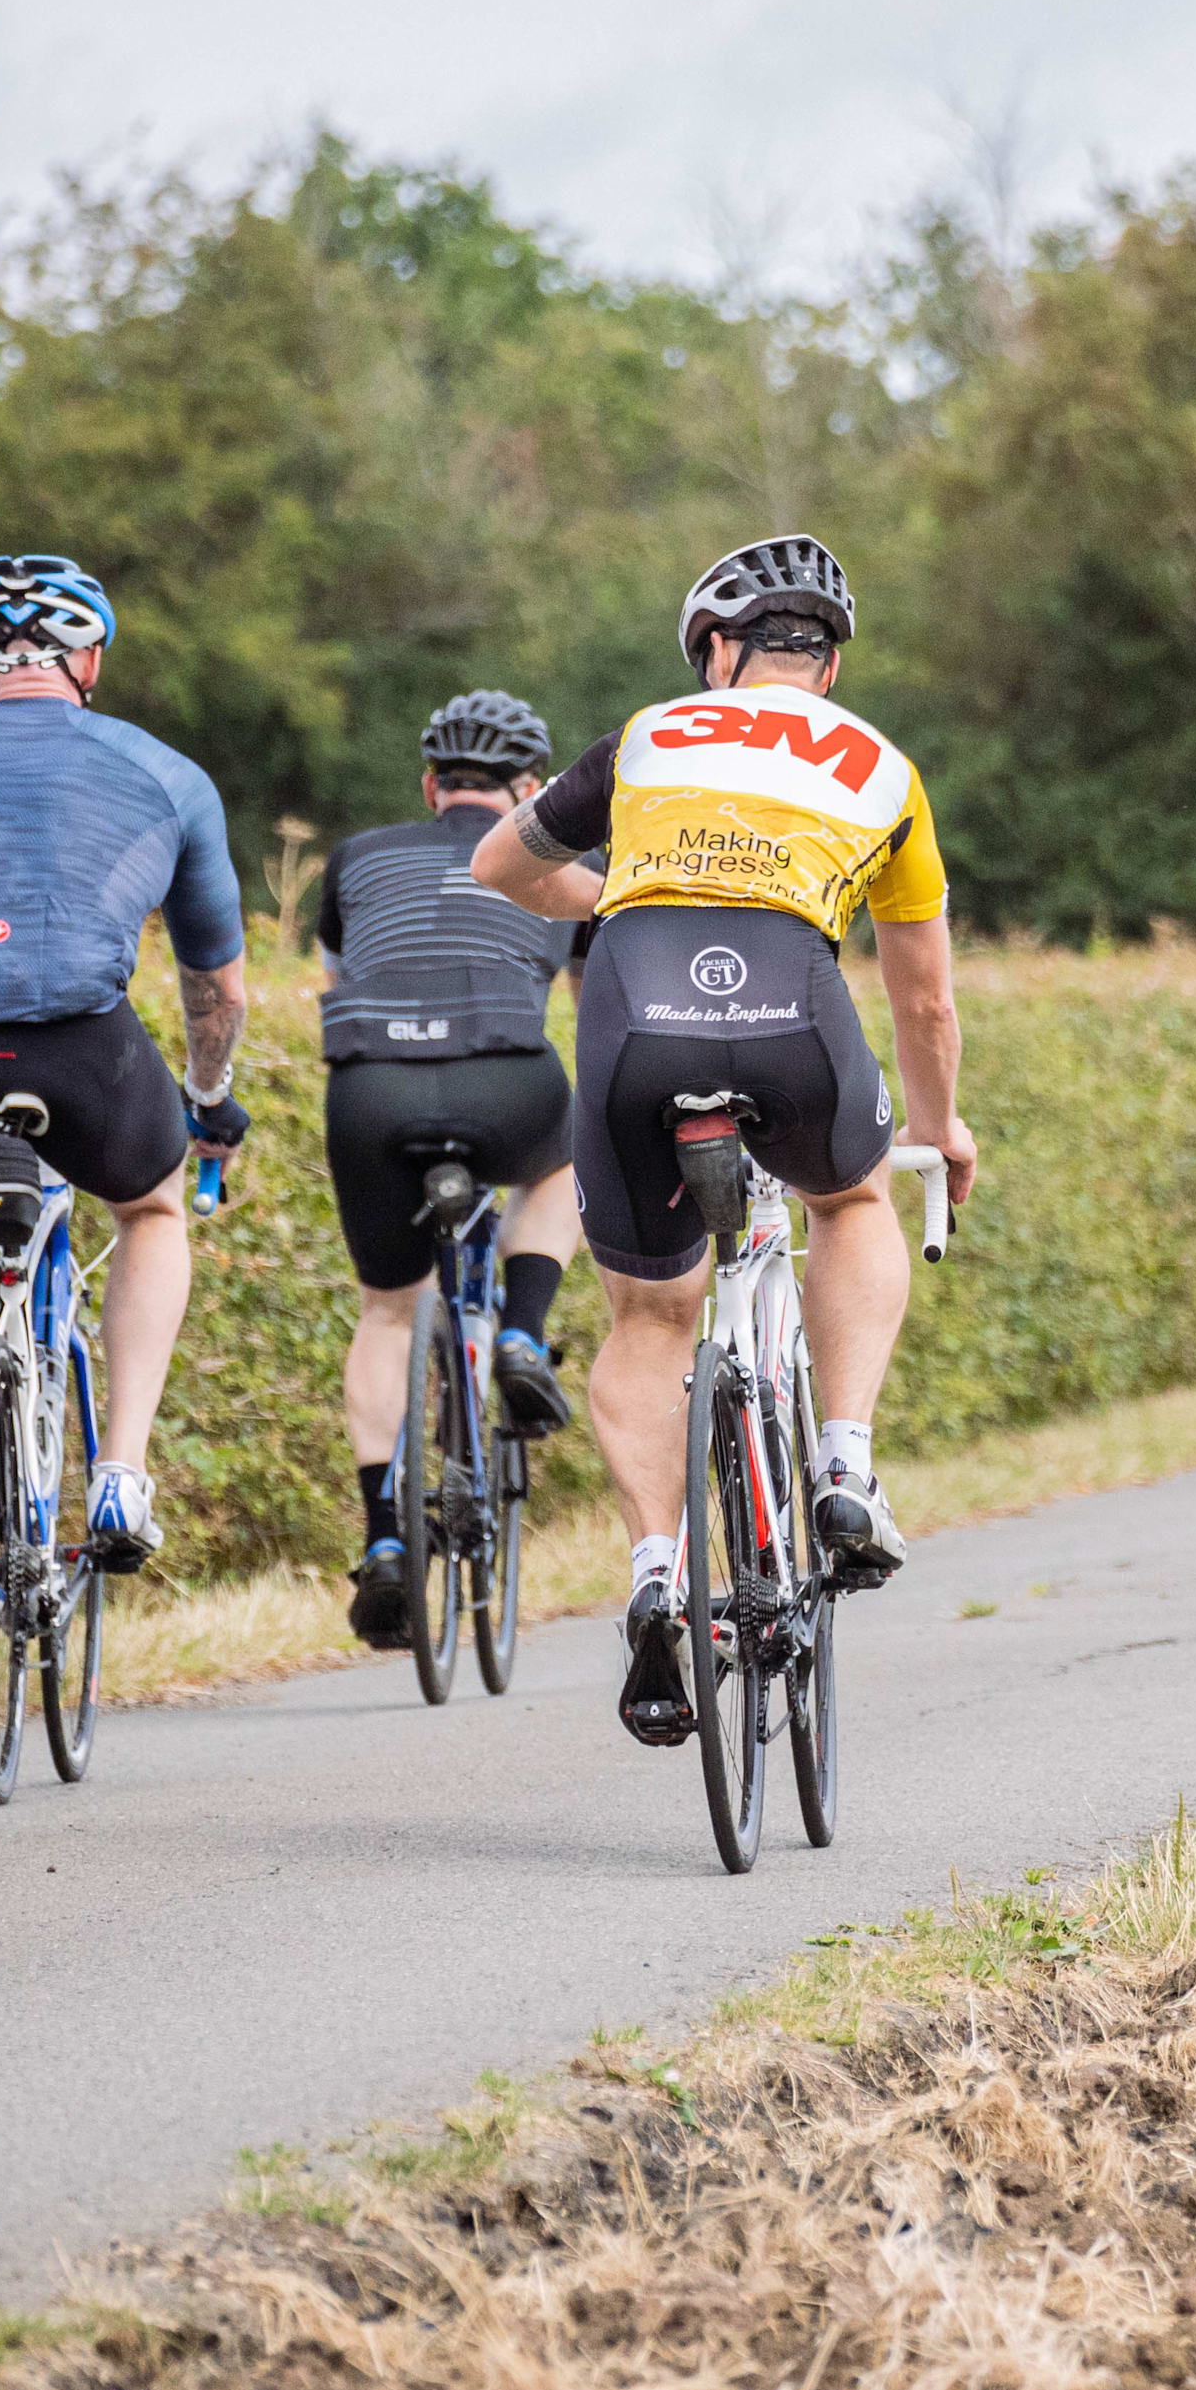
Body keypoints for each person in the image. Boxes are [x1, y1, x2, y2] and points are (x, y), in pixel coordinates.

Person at [467, 533, 978, 1748]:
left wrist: (624, 891)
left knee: (650, 1317)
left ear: (714, 650)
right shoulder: (885, 769)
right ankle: (844, 1465)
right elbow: (925, 997)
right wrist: (937, 1124)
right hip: (792, 1005)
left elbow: (500, 864)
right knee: (850, 1203)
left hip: (636, 1006)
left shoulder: (647, 735)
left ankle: (657, 1570)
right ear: (832, 661)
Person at [0, 555, 252, 1675]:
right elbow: (217, 988)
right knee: (155, 1209)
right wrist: (207, 1101)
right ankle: (119, 1471)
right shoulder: (166, 772)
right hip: (85, 1052)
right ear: (92, 660)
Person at [315, 690, 588, 1650]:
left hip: (370, 1093)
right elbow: (597, 1015)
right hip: (503, 1081)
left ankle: (387, 1542)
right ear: (533, 789)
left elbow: (337, 979)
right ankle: (520, 1334)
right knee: (567, 1161)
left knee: (389, 1309)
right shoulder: (564, 861)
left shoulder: (356, 858)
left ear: (431, 787)